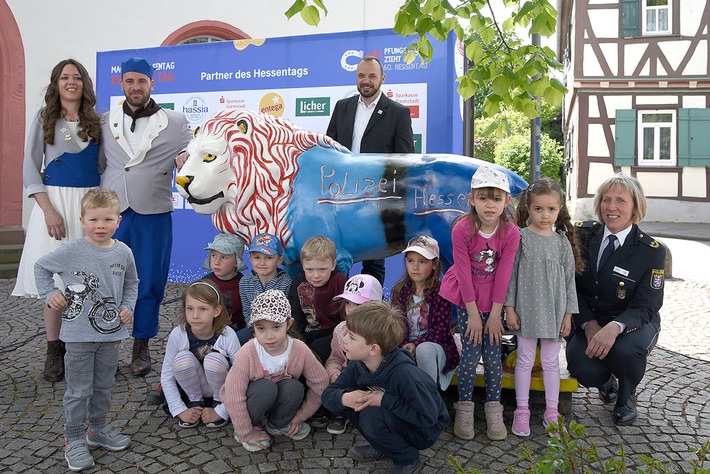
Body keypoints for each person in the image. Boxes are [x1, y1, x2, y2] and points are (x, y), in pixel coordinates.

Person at [99, 57, 192, 376]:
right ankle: (107, 343)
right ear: (121, 84)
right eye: (129, 81)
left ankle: (142, 344)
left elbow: (189, 160)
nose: (135, 87)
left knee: (150, 279)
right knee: (108, 279)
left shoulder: (176, 121)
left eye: (141, 81)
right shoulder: (104, 120)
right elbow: (101, 164)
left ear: (153, 84)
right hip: (113, 213)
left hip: (154, 211)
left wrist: (186, 161)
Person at [34, 188, 138, 472]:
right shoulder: (71, 251)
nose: (100, 226)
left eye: (107, 219)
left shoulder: (124, 252)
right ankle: (74, 439)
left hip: (111, 336)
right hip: (78, 338)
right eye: (93, 220)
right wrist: (49, 293)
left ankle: (97, 430)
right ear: (82, 221)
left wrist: (128, 306)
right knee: (79, 391)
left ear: (118, 220)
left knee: (104, 386)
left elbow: (132, 283)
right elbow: (41, 267)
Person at [12, 58, 102, 382]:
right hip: (54, 205)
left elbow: (106, 166)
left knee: (90, 280)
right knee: (56, 282)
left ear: (84, 84)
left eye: (76, 77)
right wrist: (48, 210)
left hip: (88, 205)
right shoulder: (44, 117)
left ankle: (86, 350)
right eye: (65, 77)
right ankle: (54, 350)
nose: (71, 82)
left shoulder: (97, 120)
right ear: (56, 83)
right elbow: (29, 166)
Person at [566, 173, 666, 426]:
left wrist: (614, 327)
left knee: (625, 351)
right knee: (583, 369)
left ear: (635, 207)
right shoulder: (583, 236)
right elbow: (572, 287)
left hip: (632, 323)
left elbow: (647, 304)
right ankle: (605, 382)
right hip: (591, 318)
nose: (612, 207)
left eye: (621, 201)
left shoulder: (650, 251)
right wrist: (589, 325)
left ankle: (625, 396)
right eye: (606, 200)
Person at [439, 165, 520, 441]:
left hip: (494, 299)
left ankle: (494, 410)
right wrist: (472, 314)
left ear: (506, 202)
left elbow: (504, 273)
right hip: (468, 297)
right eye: (483, 197)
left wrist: (495, 314)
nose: (489, 204)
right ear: (471, 199)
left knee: (494, 356)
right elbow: (462, 272)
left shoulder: (510, 233)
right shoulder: (462, 229)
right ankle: (464, 409)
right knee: (471, 354)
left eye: (496, 198)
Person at [322, 301, 449, 474]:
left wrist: (384, 400)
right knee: (354, 402)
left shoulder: (404, 374)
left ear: (373, 349)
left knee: (371, 415)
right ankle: (383, 445)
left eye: (351, 337)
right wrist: (345, 398)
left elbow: (428, 417)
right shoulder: (357, 365)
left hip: (423, 430)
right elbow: (328, 395)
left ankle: (408, 459)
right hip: (398, 418)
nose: (344, 340)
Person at [504, 178, 583, 436]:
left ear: (559, 209)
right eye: (539, 209)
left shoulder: (561, 242)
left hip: (554, 311)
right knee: (525, 360)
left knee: (550, 362)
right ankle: (522, 410)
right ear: (528, 207)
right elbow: (511, 275)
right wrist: (510, 308)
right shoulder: (521, 238)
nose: (545, 215)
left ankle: (551, 411)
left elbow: (569, 280)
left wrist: (569, 313)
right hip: (526, 310)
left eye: (551, 209)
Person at [326, 55, 415, 286]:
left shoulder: (398, 113)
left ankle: (371, 313)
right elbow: (329, 149)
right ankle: (338, 312)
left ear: (382, 78)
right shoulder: (341, 107)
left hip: (375, 199)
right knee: (337, 256)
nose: (366, 81)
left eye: (372, 76)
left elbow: (404, 160)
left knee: (374, 260)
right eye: (361, 75)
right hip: (340, 197)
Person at [221, 290, 329, 452]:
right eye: (261, 328)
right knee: (265, 387)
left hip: (277, 400)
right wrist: (246, 432)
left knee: (294, 387)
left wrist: (301, 416)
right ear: (253, 328)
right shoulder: (247, 352)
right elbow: (233, 395)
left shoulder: (299, 349)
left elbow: (321, 383)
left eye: (276, 327)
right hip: (253, 401)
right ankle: (253, 426)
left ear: (289, 324)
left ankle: (278, 423)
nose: (269, 336)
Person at [160, 280, 241, 429]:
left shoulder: (227, 335)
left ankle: (219, 402)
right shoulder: (178, 334)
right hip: (192, 387)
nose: (195, 315)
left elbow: (240, 375)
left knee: (213, 359)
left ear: (216, 311)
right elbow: (167, 376)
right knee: (182, 359)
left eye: (202, 309)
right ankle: (195, 402)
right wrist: (179, 410)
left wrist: (223, 411)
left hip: (222, 388)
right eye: (190, 308)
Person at [391, 236, 459, 391]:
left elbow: (441, 329)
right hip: (405, 343)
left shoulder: (442, 291)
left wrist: (415, 344)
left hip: (435, 346)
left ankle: (427, 398)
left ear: (434, 264)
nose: (415, 267)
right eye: (410, 261)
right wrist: (404, 345)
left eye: (422, 262)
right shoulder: (399, 290)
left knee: (424, 349)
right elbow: (396, 323)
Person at [325, 274, 383, 435]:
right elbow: (335, 359)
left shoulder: (384, 333)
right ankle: (339, 413)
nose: (350, 309)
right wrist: (333, 373)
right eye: (348, 303)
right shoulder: (340, 330)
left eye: (357, 304)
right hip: (349, 380)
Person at [288, 235, 348, 363]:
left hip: (334, 332)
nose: (316, 275)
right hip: (310, 331)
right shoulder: (298, 283)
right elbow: (296, 316)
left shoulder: (340, 282)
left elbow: (346, 320)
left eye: (322, 269)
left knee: (318, 347)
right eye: (309, 269)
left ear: (333, 265)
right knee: (296, 346)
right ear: (302, 266)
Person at [238, 232, 292, 345]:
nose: (262, 263)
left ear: (279, 260)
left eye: (268, 257)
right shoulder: (245, 282)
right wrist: (256, 332)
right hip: (256, 327)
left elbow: (289, 313)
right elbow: (247, 312)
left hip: (279, 328)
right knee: (239, 337)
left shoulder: (287, 282)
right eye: (257, 257)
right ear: (250, 259)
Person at [202, 233, 247, 332]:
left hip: (236, 332)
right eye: (213, 255)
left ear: (236, 261)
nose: (217, 262)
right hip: (209, 330)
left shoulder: (245, 284)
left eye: (224, 257)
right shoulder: (205, 284)